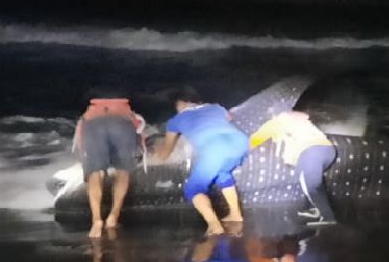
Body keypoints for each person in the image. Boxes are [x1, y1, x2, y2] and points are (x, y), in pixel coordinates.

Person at [154, 88, 248, 235]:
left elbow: (166, 151)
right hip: (240, 142)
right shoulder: (216, 107)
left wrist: (156, 154)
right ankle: (235, 215)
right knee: (222, 173)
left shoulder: (175, 121)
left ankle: (213, 225)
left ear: (181, 103)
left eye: (177, 106)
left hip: (215, 147)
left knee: (193, 189)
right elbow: (228, 118)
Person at [73, 94, 146, 238]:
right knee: (123, 171)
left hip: (93, 120)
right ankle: (114, 215)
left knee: (95, 172)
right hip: (122, 119)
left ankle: (96, 220)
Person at [249, 111, 337, 225]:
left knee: (309, 185)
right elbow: (305, 116)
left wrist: (244, 149)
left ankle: (328, 218)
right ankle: (317, 209)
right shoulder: (297, 121)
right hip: (328, 151)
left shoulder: (276, 122)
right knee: (311, 182)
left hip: (312, 151)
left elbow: (255, 139)